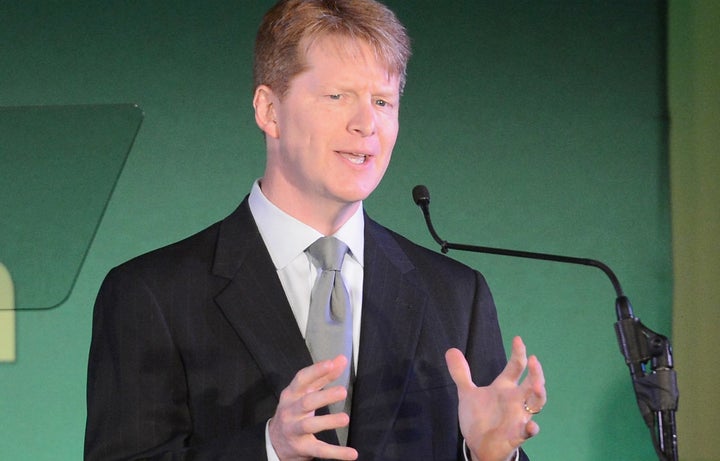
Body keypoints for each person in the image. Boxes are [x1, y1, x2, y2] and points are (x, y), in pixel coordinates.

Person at [84, 1, 547, 460]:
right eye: (338, 96)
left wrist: (487, 456)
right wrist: (269, 448)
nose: (367, 124)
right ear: (269, 111)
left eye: (382, 101)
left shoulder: (456, 295)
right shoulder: (151, 293)